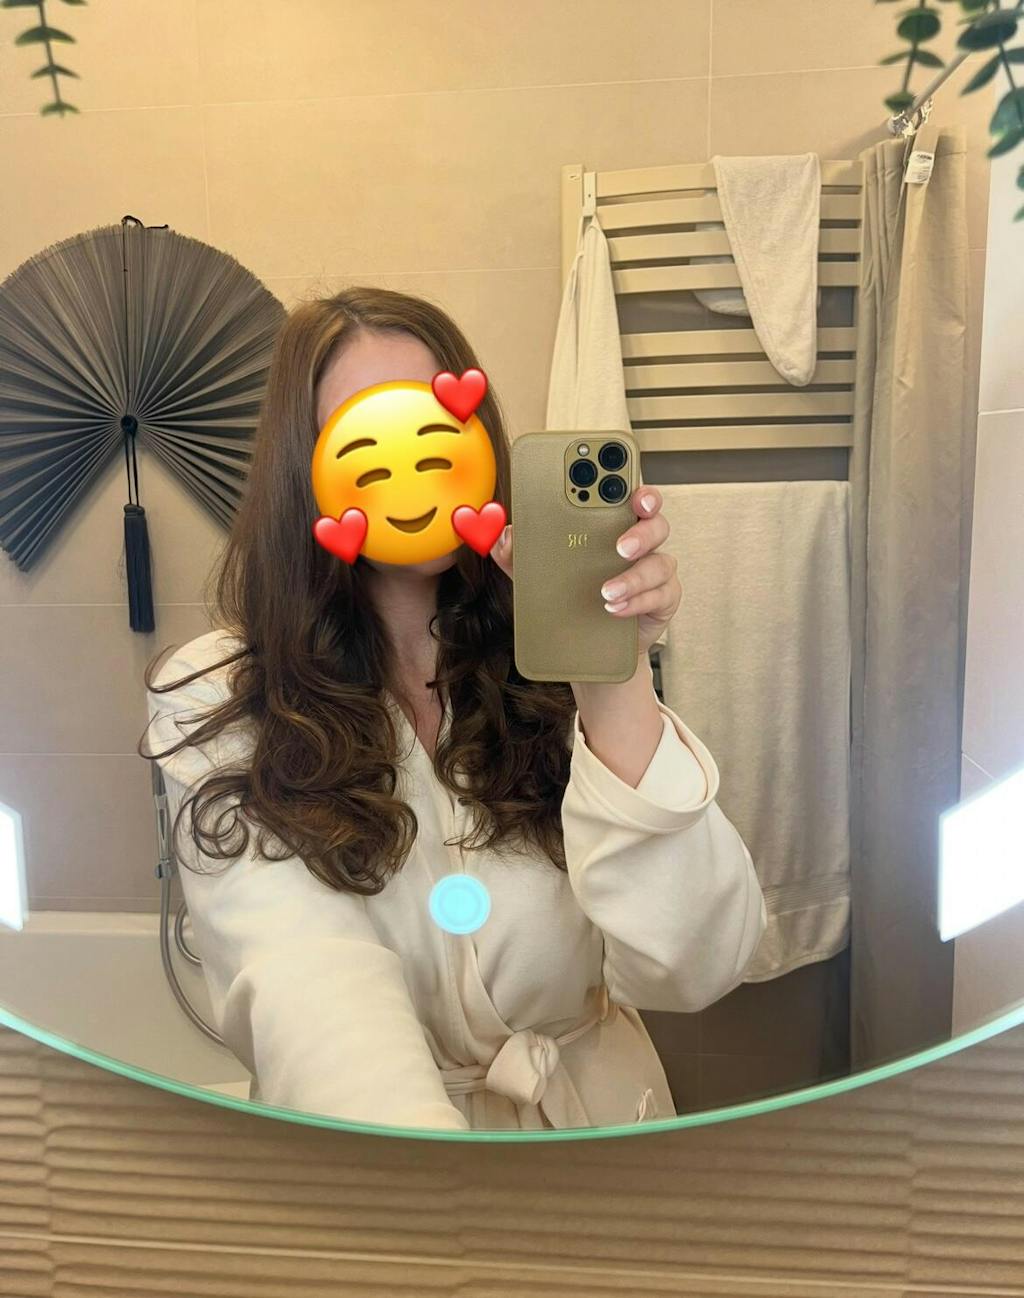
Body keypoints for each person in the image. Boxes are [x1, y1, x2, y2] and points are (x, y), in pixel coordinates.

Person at [141, 286, 767, 1132]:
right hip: (393, 1172)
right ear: (306, 472)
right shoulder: (220, 699)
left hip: (598, 1130)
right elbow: (310, 993)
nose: (413, 467)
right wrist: (439, 1197)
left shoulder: (555, 658)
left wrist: (612, 677)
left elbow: (695, 966)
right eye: (367, 436)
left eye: (436, 426)